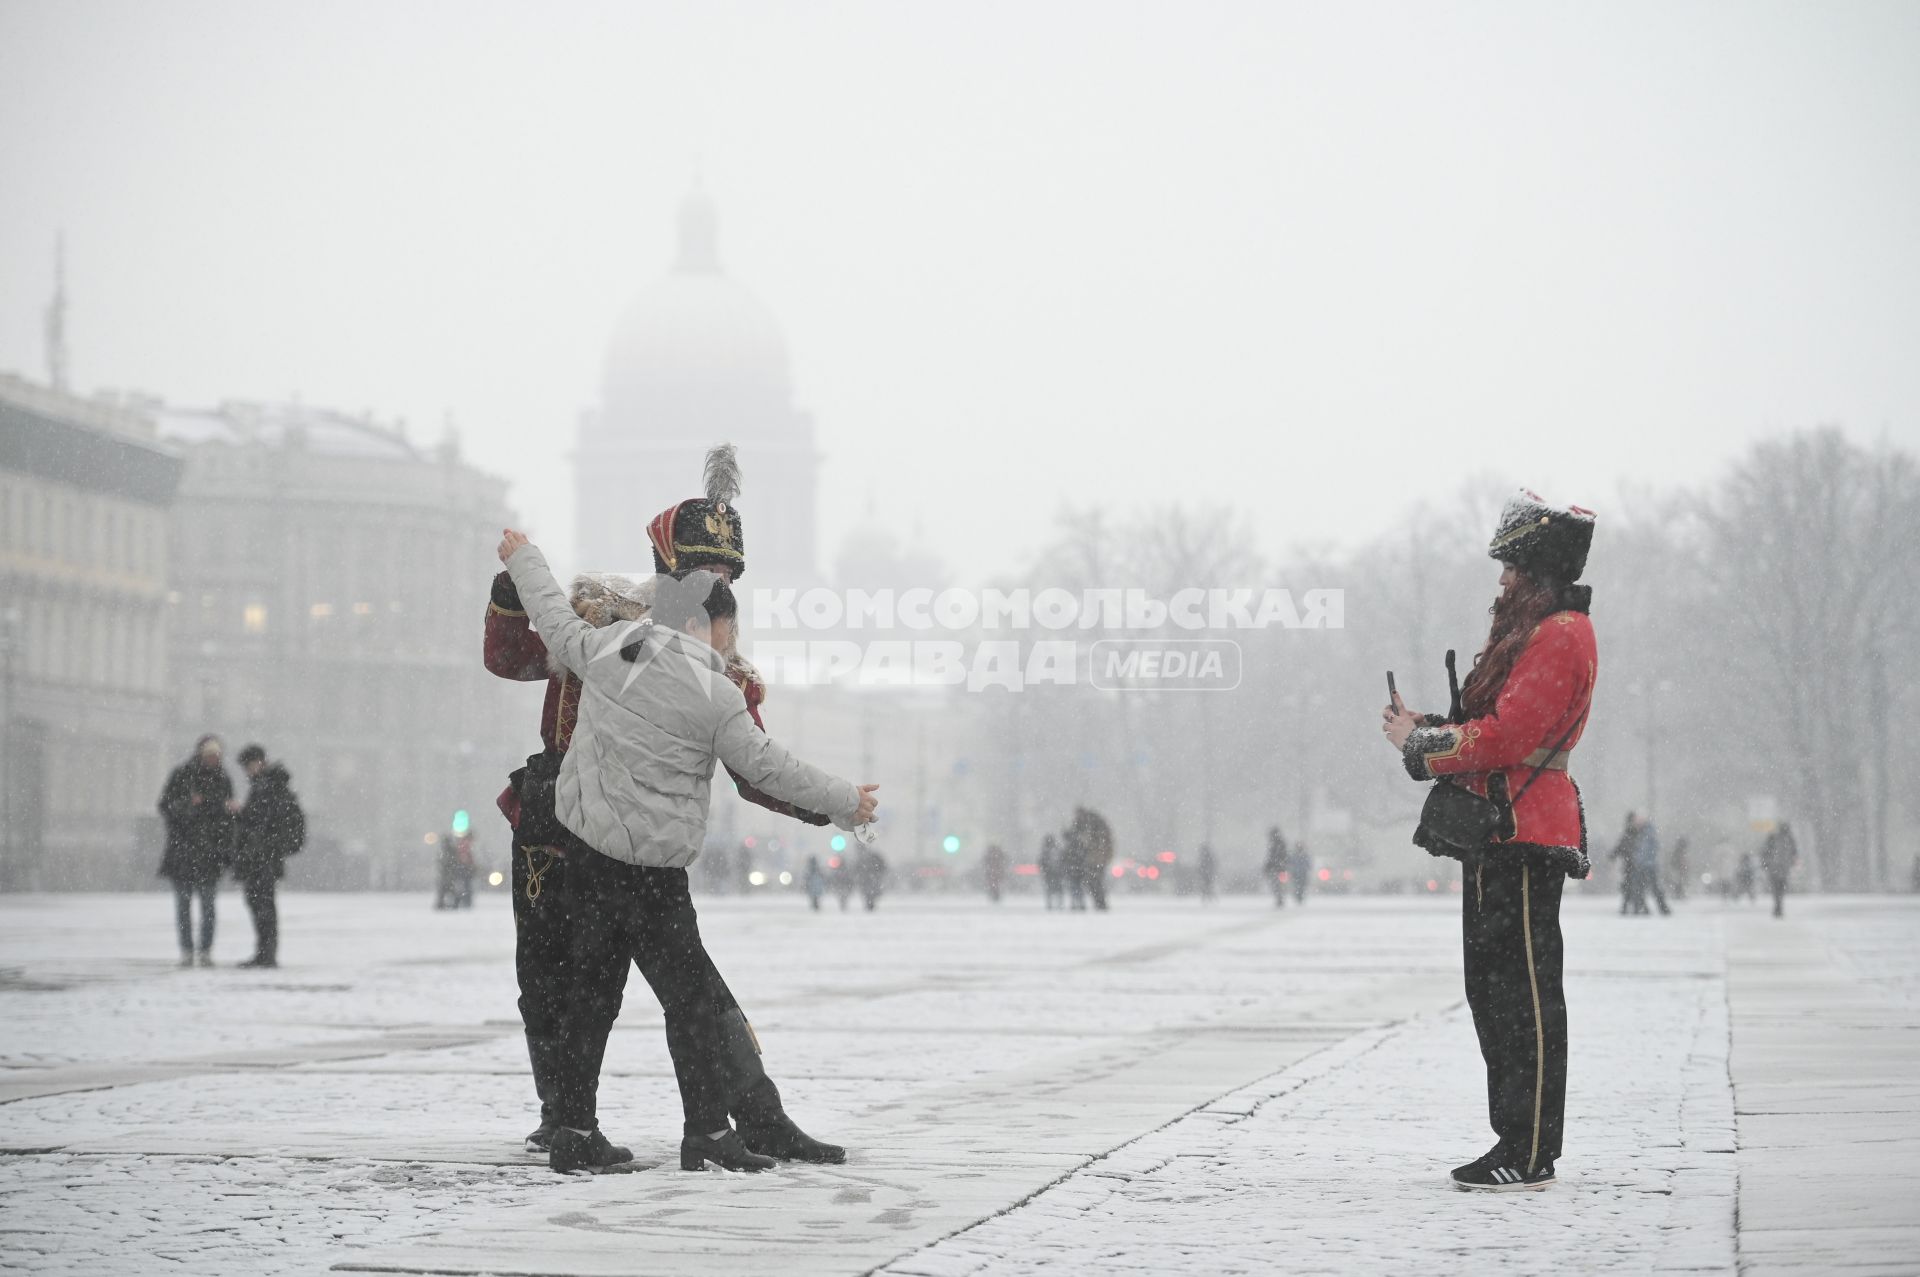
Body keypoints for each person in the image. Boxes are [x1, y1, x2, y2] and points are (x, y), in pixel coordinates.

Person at [483, 445, 842, 1166]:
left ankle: (750, 1114)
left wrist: (822, 803)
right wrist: (515, 585)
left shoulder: (713, 662)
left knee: (684, 989)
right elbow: (510, 657)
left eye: (726, 573)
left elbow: (754, 765)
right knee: (550, 984)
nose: (715, 581)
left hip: (631, 849)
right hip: (556, 825)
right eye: (703, 571)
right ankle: (567, 1119)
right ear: (667, 570)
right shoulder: (607, 627)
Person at [1384, 490, 1597, 1193]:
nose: (1501, 580)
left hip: (1526, 831)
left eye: (1512, 567)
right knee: (1494, 992)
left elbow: (1509, 736)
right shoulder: (1538, 631)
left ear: (1538, 571)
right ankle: (1515, 1136)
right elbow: (1498, 725)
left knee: (1526, 996)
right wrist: (1431, 729)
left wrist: (1423, 744)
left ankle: (1530, 1146)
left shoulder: (1559, 632)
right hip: (1502, 829)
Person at [157, 735, 235, 967]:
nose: (213, 759)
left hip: (209, 854)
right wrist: (189, 805)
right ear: (202, 755)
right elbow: (165, 806)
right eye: (210, 755)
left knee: (208, 906)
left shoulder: (223, 779)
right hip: (184, 852)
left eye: (217, 755)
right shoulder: (182, 775)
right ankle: (187, 950)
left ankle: (205, 949)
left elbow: (226, 818)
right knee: (184, 906)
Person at [230, 744, 305, 968]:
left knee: (262, 905)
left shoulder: (269, 786)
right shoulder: (267, 785)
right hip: (261, 856)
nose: (247, 770)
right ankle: (264, 953)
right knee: (259, 904)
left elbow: (265, 821)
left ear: (259, 762)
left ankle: (266, 954)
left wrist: (243, 815)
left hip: (263, 857)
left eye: (249, 765)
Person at [1633, 815, 1671, 915]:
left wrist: (1641, 860)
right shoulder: (1645, 833)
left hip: (1648, 866)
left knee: (1651, 888)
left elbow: (1648, 850)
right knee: (1644, 888)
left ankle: (1660, 908)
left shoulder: (1648, 833)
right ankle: (1647, 908)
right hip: (1646, 865)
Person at [1759, 821, 1799, 918]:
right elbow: (1794, 854)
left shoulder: (1772, 838)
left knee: (1775, 888)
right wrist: (1792, 864)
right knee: (1781, 888)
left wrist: (1764, 864)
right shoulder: (1790, 839)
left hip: (1773, 868)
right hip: (1785, 869)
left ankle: (1777, 905)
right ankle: (1779, 905)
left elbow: (1765, 851)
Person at [1609, 813, 1646, 915]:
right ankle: (1635, 908)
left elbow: (1622, 846)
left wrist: (1614, 854)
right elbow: (1623, 846)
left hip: (1632, 864)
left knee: (1631, 886)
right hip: (1633, 864)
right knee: (1633, 886)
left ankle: (1630, 907)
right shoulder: (1635, 833)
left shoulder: (1631, 833)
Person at [1263, 827, 1289, 908]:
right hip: (1280, 868)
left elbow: (1272, 857)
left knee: (1276, 884)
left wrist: (1268, 866)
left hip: (1276, 868)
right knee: (1278, 885)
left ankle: (1279, 899)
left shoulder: (1275, 844)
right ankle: (1279, 899)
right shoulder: (1279, 843)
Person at [857, 845, 888, 911]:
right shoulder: (865, 858)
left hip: (869, 878)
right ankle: (870, 902)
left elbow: (856, 868)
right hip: (870, 878)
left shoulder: (862, 858)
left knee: (869, 891)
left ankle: (870, 902)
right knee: (869, 891)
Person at [1039, 833, 1064, 910]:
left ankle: (1050, 904)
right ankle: (1059, 904)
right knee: (1058, 889)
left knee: (1049, 889)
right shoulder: (1057, 850)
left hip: (1049, 874)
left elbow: (1041, 862)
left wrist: (1043, 871)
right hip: (1056, 874)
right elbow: (1062, 861)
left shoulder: (1045, 851)